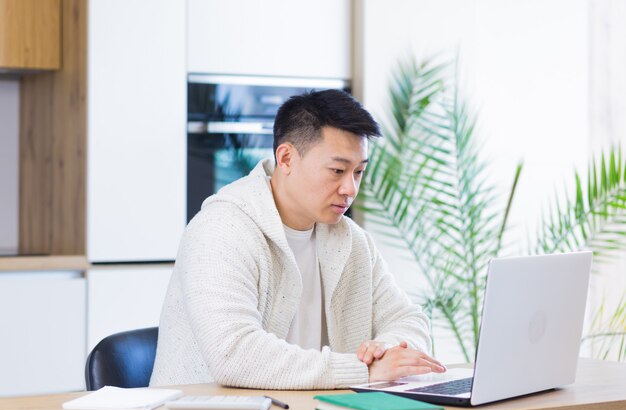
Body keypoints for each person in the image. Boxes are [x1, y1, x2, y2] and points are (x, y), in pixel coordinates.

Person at [150, 89, 445, 389]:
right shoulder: (221, 228)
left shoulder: (352, 241)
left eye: (358, 172)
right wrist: (362, 370)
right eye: (338, 170)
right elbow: (234, 354)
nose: (350, 188)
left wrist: (387, 350)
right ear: (287, 158)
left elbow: (410, 320)